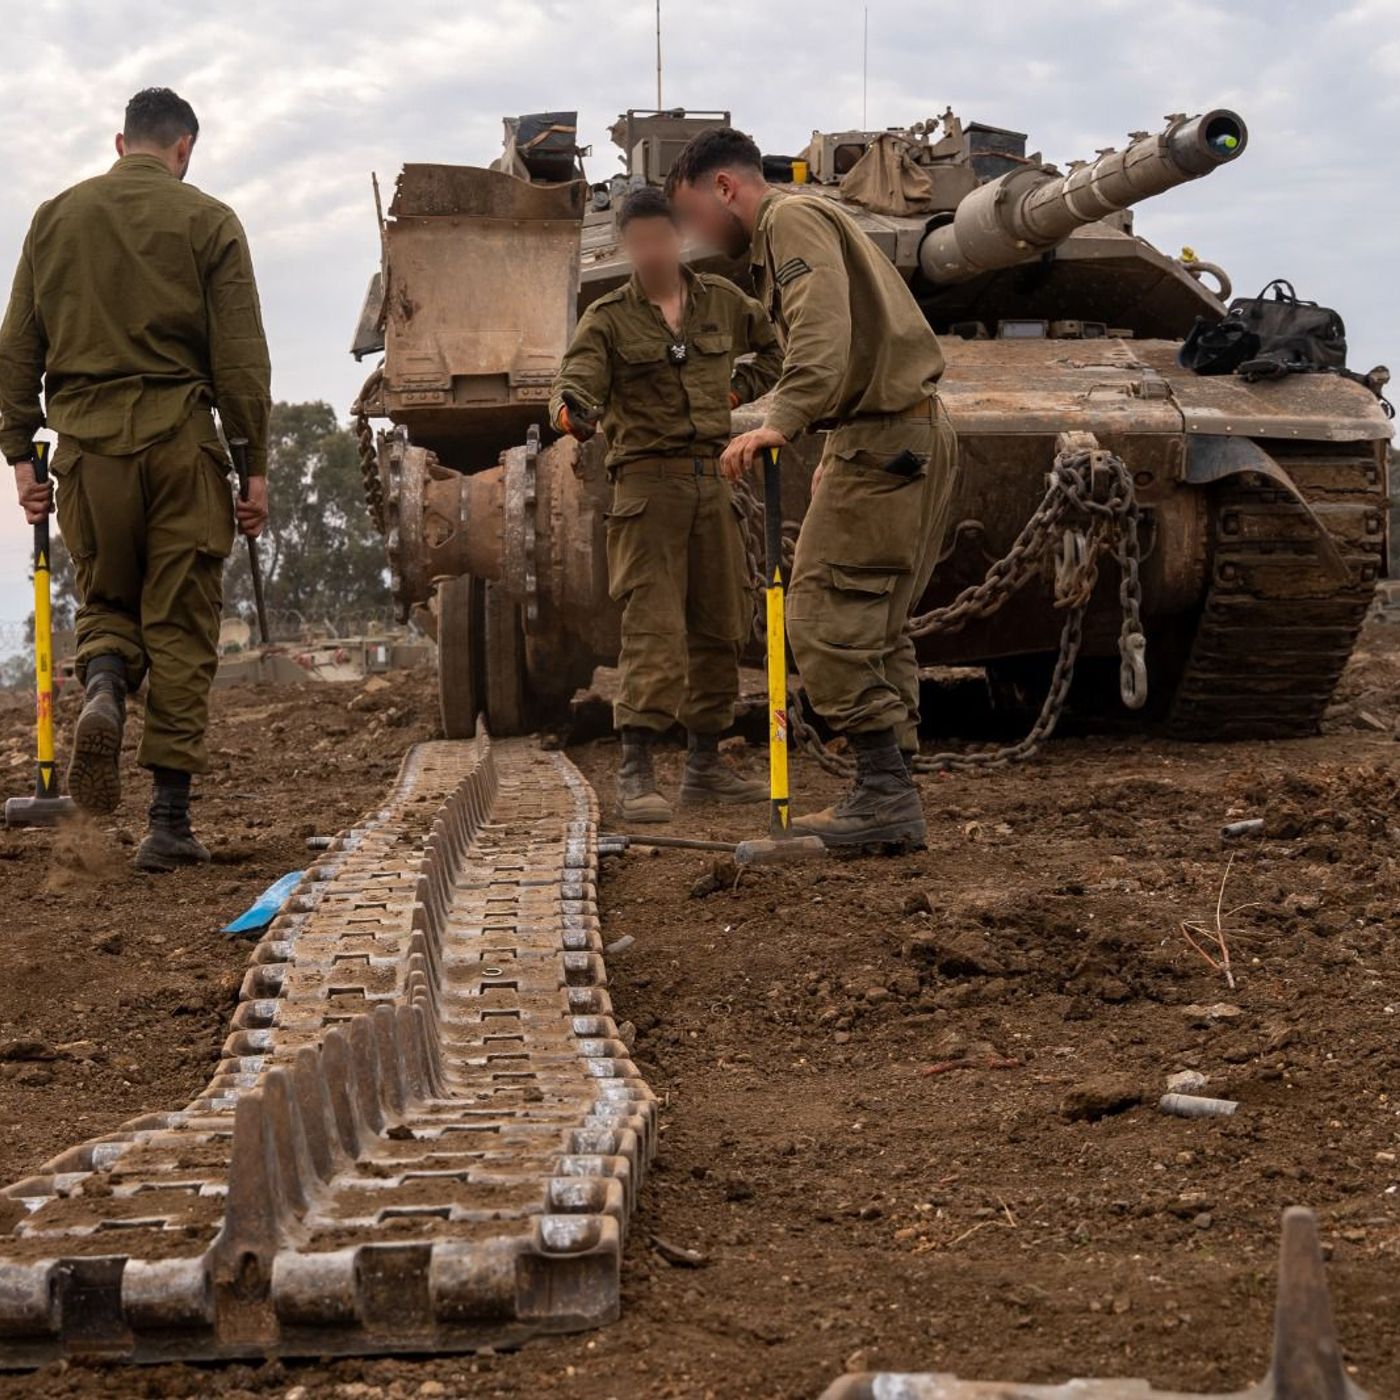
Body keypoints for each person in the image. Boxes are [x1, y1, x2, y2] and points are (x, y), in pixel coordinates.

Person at [1, 87, 271, 871]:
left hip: (86, 452)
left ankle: (107, 687)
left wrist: (22, 457)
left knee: (108, 599)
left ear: (122, 143)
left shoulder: (54, 217)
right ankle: (168, 823)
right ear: (183, 148)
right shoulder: (210, 221)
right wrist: (252, 468)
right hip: (182, 446)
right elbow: (241, 360)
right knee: (182, 624)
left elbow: (17, 348)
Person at [667, 128, 959, 851]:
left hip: (886, 440)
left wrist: (781, 421)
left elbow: (820, 333)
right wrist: (831, 438)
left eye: (692, 215)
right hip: (894, 431)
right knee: (874, 623)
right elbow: (854, 342)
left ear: (725, 190)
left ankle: (885, 795)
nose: (692, 236)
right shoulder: (798, 224)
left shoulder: (789, 220)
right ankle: (891, 791)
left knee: (821, 615)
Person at [550, 185, 783, 822]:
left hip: (714, 482)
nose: (651, 252)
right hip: (646, 492)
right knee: (653, 627)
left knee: (720, 625)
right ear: (626, 247)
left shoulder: (724, 303)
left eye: (661, 238)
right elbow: (571, 387)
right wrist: (575, 414)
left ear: (677, 238)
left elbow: (774, 351)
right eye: (639, 243)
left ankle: (704, 767)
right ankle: (637, 769)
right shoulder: (607, 320)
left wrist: (732, 395)